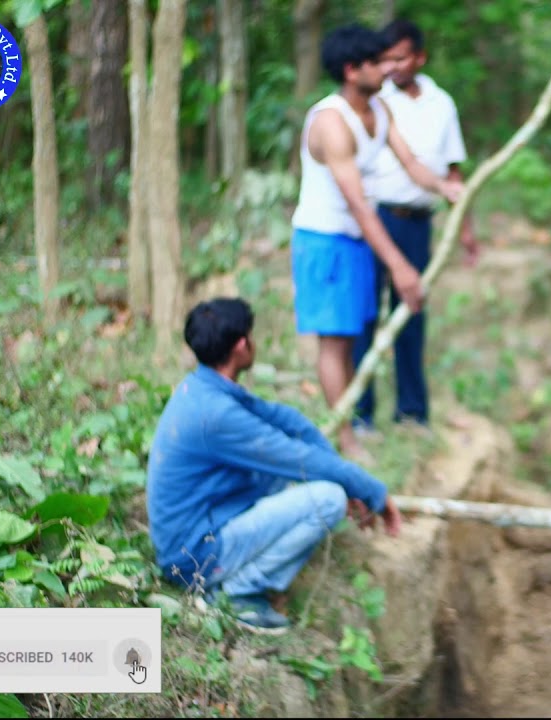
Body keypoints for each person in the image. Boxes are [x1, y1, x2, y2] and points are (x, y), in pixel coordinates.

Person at [146, 297, 403, 634]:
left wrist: (346, 476)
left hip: (202, 526)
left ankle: (236, 579)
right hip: (193, 556)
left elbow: (288, 421)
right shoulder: (216, 414)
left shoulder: (204, 387)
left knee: (290, 475)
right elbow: (300, 459)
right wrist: (372, 493)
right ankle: (236, 592)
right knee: (327, 498)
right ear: (242, 345)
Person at [290, 23, 464, 459]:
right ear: (352, 70)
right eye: (378, 63)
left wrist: (447, 189)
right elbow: (361, 206)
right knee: (334, 340)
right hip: (326, 240)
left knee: (351, 338)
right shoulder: (332, 122)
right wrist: (401, 266)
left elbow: (412, 164)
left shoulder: (380, 112)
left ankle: (353, 425)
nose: (388, 69)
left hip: (353, 242)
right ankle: (346, 437)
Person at [351, 18, 479, 435]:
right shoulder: (374, 100)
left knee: (410, 315)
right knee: (366, 315)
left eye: (400, 58)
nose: (391, 67)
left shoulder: (442, 103)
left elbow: (453, 171)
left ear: (420, 57)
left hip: (418, 222)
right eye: (385, 59)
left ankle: (412, 412)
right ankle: (361, 412)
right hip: (377, 216)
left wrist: (465, 228)